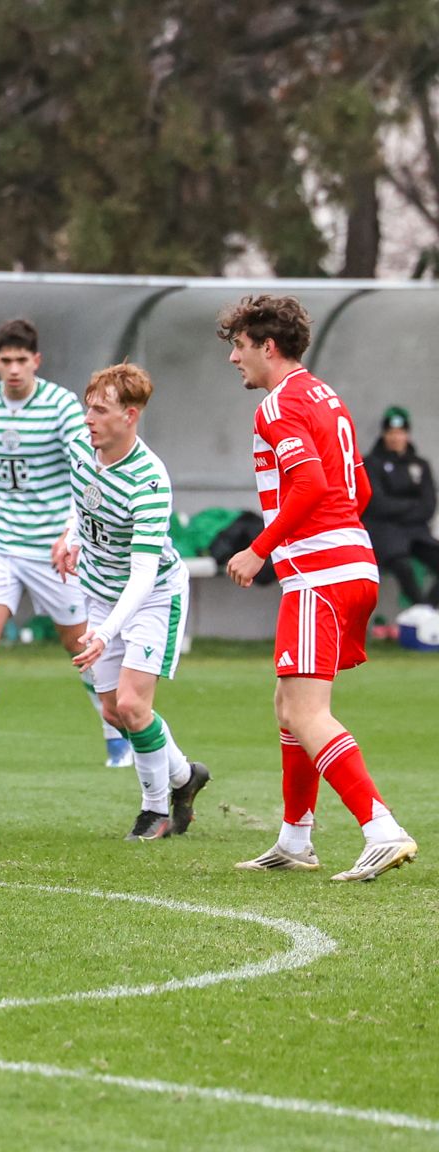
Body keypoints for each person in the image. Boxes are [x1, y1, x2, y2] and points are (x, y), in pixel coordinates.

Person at [219, 294, 418, 882]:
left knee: (307, 712)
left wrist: (260, 549)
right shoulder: (327, 397)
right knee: (289, 706)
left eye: (239, 346)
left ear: (268, 346)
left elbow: (307, 485)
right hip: (354, 565)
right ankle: (295, 838)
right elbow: (357, 491)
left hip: (319, 575)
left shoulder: (278, 406)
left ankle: (380, 828)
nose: (234, 358)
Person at [0, 319, 128, 771]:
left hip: (51, 547)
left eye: (23, 360)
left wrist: (71, 531)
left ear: (36, 361)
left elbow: (86, 469)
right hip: (0, 541)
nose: (14, 368)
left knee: (79, 644)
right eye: (6, 361)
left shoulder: (61, 406)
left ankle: (116, 736)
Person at [52, 364, 209, 841]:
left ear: (130, 415)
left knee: (133, 705)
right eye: (88, 407)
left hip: (152, 597)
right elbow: (83, 504)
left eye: (99, 410)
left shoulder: (150, 480)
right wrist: (69, 535)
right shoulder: (83, 448)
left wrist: (102, 632)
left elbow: (142, 574)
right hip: (99, 591)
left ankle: (155, 810)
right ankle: (184, 776)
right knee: (113, 712)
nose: (88, 419)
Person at [361, 406, 438, 608]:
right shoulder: (371, 463)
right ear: (384, 434)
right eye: (391, 433)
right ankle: (422, 611)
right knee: (402, 566)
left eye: (400, 433)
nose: (396, 438)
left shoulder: (420, 465)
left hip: (416, 531)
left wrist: (399, 509)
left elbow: (428, 507)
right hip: (384, 532)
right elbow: (376, 504)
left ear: (407, 435)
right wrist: (412, 505)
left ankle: (427, 613)